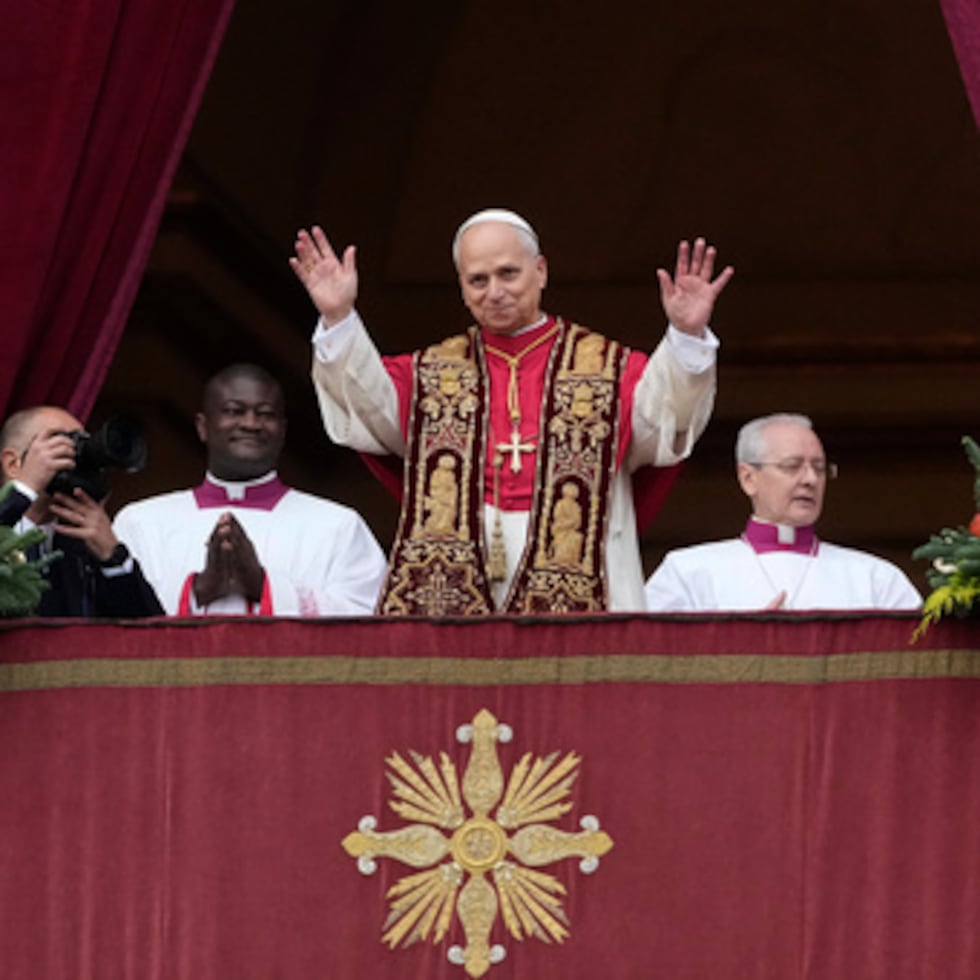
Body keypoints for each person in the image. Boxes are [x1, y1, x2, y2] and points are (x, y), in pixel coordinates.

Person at [290, 208, 733, 615]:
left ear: (540, 271)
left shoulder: (609, 369)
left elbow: (664, 421)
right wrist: (340, 319)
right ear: (462, 287)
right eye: (478, 280)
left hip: (583, 567)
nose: (495, 292)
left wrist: (686, 335)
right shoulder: (429, 372)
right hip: (459, 570)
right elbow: (368, 409)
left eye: (508, 273)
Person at [112, 363, 387, 616]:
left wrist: (263, 585)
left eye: (265, 414)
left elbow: (369, 623)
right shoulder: (140, 523)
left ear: (282, 430)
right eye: (234, 411)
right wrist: (200, 589)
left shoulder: (338, 526)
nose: (251, 424)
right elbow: (113, 619)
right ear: (203, 427)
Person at [644, 413, 922, 612]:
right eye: (792, 466)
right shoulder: (687, 573)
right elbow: (648, 661)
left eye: (819, 468)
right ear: (748, 478)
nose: (810, 479)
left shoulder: (877, 579)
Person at [0, 406, 163, 617]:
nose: (72, 454)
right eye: (58, 442)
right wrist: (22, 492)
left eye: (80, 443)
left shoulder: (81, 547)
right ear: (12, 463)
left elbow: (151, 630)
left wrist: (113, 557)